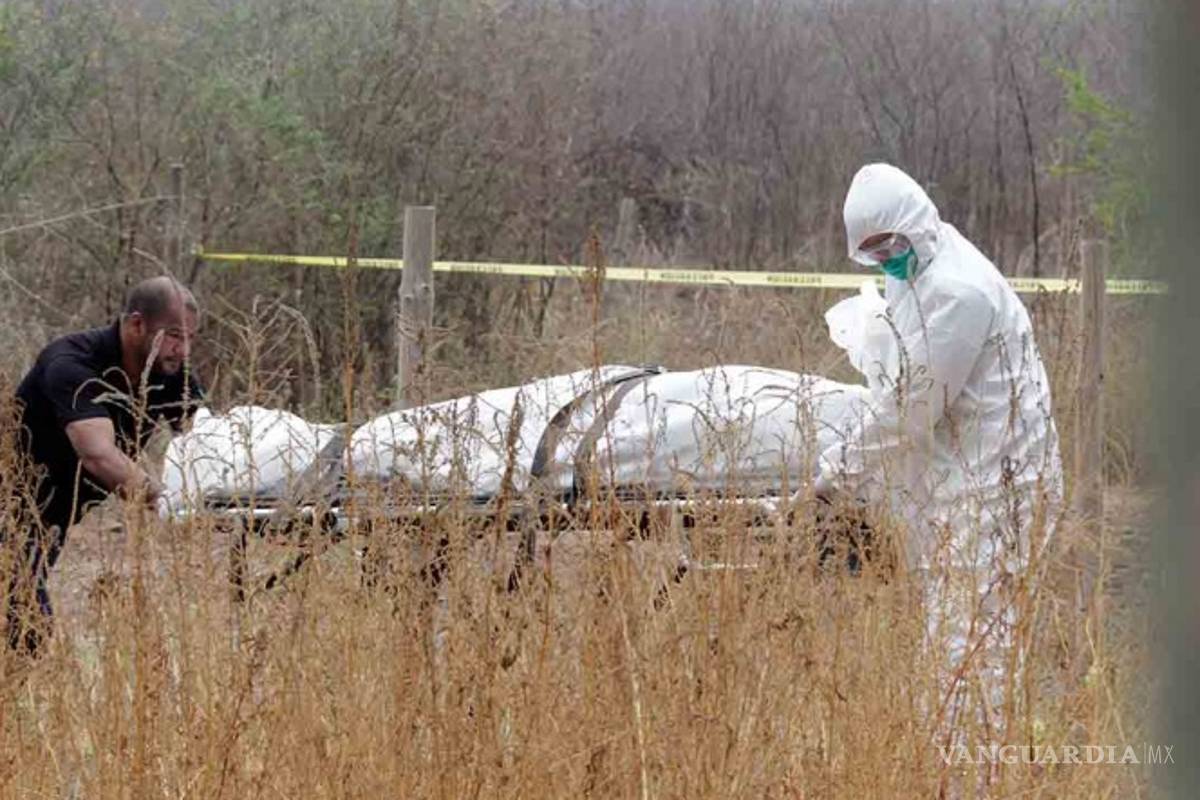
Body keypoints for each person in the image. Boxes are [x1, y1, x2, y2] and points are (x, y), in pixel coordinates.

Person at [816, 163, 1063, 732]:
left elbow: (911, 409)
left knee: (973, 643)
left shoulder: (958, 290)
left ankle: (969, 771)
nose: (887, 260)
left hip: (1001, 489)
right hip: (967, 474)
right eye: (874, 254)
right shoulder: (922, 259)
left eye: (892, 246)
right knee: (955, 634)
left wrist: (837, 474)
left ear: (915, 223)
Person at [4, 275, 203, 656]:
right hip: (11, 507)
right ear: (136, 324)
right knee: (29, 629)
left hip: (52, 518)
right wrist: (164, 500)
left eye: (192, 338)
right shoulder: (70, 363)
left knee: (23, 631)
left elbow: (204, 442)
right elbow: (97, 453)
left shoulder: (170, 374)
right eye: (175, 335)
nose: (184, 350)